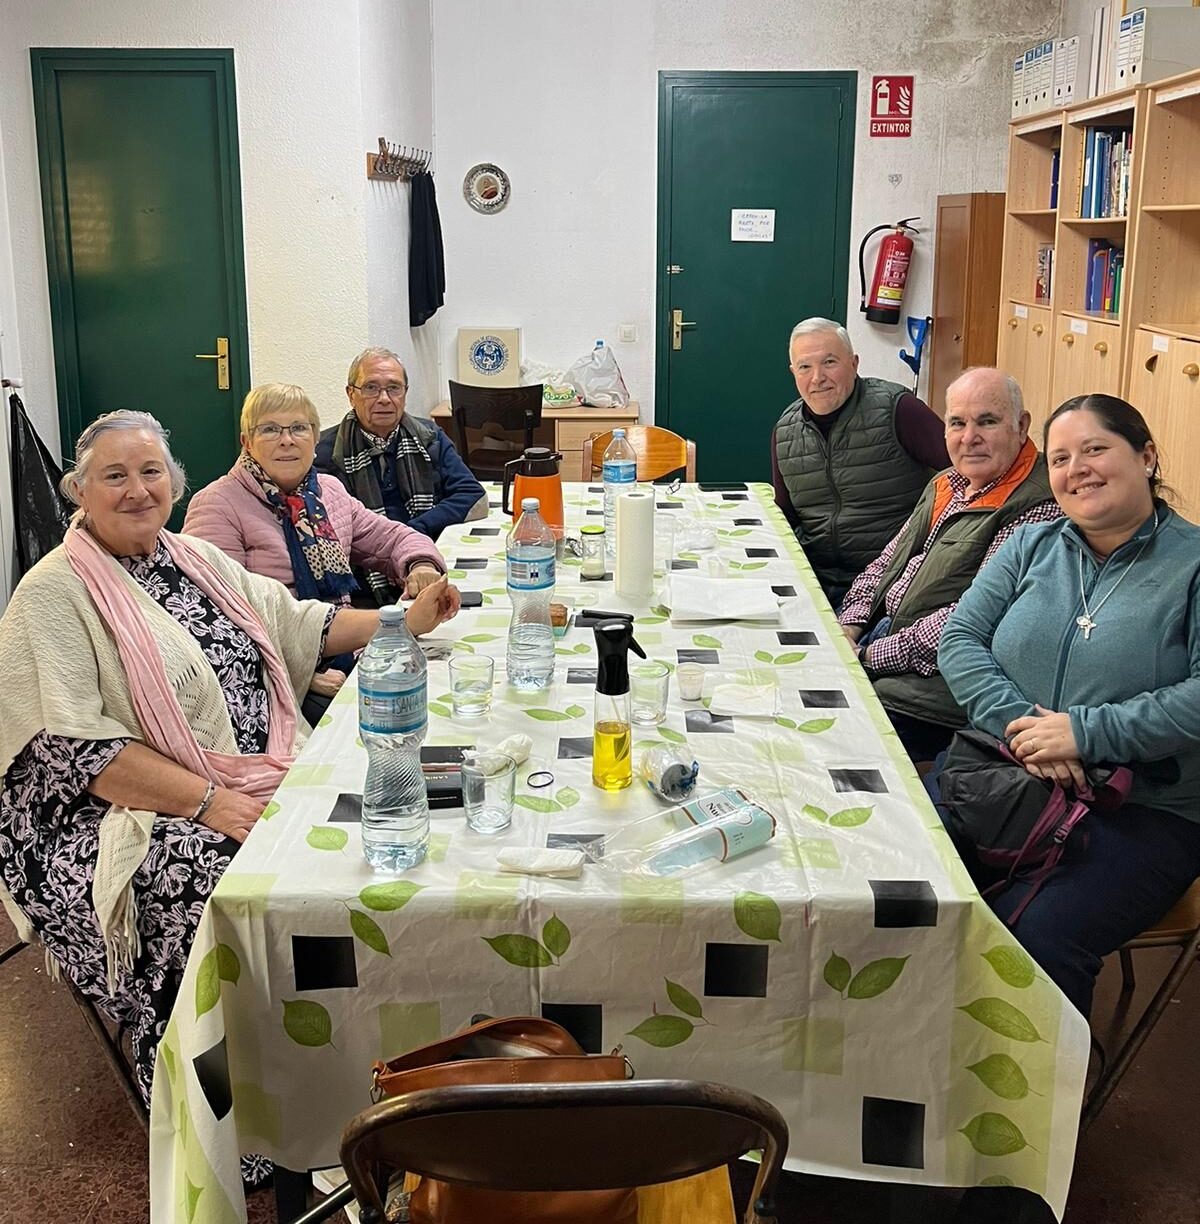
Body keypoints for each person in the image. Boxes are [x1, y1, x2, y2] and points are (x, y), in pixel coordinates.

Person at [0, 411, 458, 1148]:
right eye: (114, 476)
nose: (137, 490)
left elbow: (300, 623)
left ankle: (347, 1071)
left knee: (388, 810)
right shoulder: (53, 595)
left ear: (172, 486)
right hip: (97, 816)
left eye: (151, 473)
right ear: (80, 492)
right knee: (219, 887)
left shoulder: (192, 560)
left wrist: (405, 618)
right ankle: (227, 1123)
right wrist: (213, 803)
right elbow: (80, 756)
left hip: (241, 777)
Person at [938, 393, 1200, 1024]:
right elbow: (960, 639)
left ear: (1146, 456)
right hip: (1004, 771)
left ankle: (1026, 1115)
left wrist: (1084, 734)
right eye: (1060, 457)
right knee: (894, 876)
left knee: (1030, 942)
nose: (1075, 468)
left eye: (1095, 449)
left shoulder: (1191, 564)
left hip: (1142, 809)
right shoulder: (1031, 544)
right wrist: (1027, 733)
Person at [184, 383, 448, 721]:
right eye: (269, 430)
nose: (287, 440)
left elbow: (393, 538)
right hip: (274, 677)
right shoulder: (216, 505)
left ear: (314, 438)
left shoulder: (328, 491)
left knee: (429, 694)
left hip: (344, 650)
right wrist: (302, 675)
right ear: (246, 443)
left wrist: (420, 564)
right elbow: (217, 621)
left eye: (298, 428)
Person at [837, 368, 1059, 760]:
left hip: (935, 688)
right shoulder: (948, 482)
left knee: (831, 738)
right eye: (957, 423)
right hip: (884, 643)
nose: (969, 437)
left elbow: (971, 619)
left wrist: (870, 656)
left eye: (987, 422)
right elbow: (888, 560)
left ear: (1021, 426)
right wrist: (850, 626)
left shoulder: (1035, 507)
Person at [771, 318, 949, 604]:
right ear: (793, 372)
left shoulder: (897, 409)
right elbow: (786, 518)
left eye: (829, 362)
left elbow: (964, 472)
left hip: (893, 581)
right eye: (805, 367)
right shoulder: (785, 430)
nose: (817, 378)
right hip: (817, 581)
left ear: (854, 364)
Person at [315, 346, 485, 548]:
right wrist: (390, 542)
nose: (384, 399)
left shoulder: (430, 437)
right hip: (362, 564)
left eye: (394, 387)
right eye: (371, 387)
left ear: (405, 393)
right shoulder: (324, 452)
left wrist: (414, 531)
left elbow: (470, 493)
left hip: (427, 549)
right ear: (351, 395)